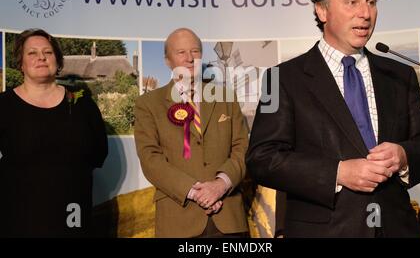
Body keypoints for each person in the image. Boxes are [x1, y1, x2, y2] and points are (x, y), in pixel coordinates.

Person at [246, 0, 420, 237]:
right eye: (352, 2)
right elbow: (262, 158)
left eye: (371, 1)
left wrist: (403, 156)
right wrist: (337, 173)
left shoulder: (399, 75)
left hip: (396, 228)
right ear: (322, 10)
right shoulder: (280, 79)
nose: (365, 13)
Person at [134, 28, 249, 238]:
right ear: (167, 60)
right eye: (181, 52)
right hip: (178, 221)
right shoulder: (148, 104)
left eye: (195, 51)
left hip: (228, 218)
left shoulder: (225, 97)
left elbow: (242, 148)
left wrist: (221, 185)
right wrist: (197, 193)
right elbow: (150, 159)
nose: (189, 58)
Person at [0, 29, 108, 237]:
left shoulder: (82, 104)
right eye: (32, 53)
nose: (41, 57)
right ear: (20, 63)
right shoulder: (3, 106)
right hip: (18, 220)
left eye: (48, 52)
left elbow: (98, 154)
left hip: (73, 219)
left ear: (57, 60)